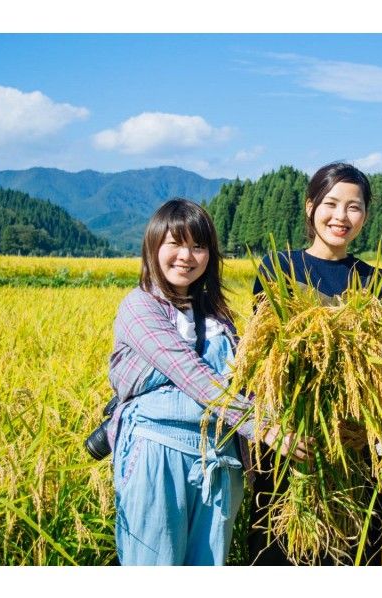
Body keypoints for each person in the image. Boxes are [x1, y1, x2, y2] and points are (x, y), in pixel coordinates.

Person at [107, 198, 307, 566]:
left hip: (219, 458)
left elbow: (244, 381)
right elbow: (191, 373)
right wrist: (263, 428)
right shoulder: (140, 306)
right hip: (157, 452)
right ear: (153, 246)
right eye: (175, 243)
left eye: (198, 246)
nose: (186, 255)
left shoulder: (217, 316)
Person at [249, 162, 382, 564]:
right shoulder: (278, 268)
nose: (341, 216)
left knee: (347, 551)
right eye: (331, 203)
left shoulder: (375, 280)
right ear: (310, 206)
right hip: (288, 442)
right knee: (278, 553)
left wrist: (366, 431)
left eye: (354, 207)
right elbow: (260, 358)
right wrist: (275, 427)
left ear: (365, 215)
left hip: (349, 447)